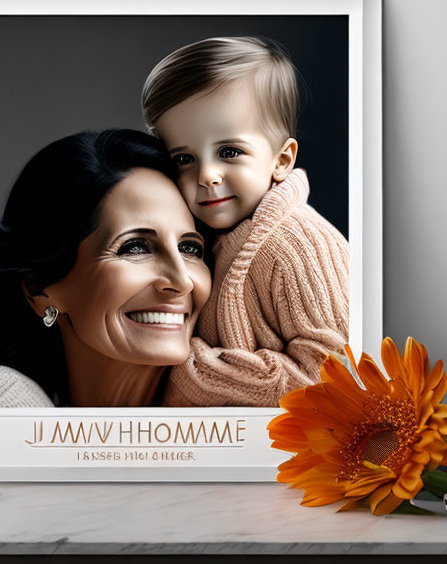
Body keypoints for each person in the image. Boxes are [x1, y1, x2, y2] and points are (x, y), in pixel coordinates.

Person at [141, 36, 350, 407]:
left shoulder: (297, 243)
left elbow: (335, 378)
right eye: (184, 159)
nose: (207, 175)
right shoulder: (202, 240)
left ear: (282, 160)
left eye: (229, 152)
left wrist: (196, 368)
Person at [0, 129, 211, 408]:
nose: (182, 281)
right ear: (39, 288)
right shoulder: (3, 400)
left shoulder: (253, 409)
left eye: (190, 248)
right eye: (135, 247)